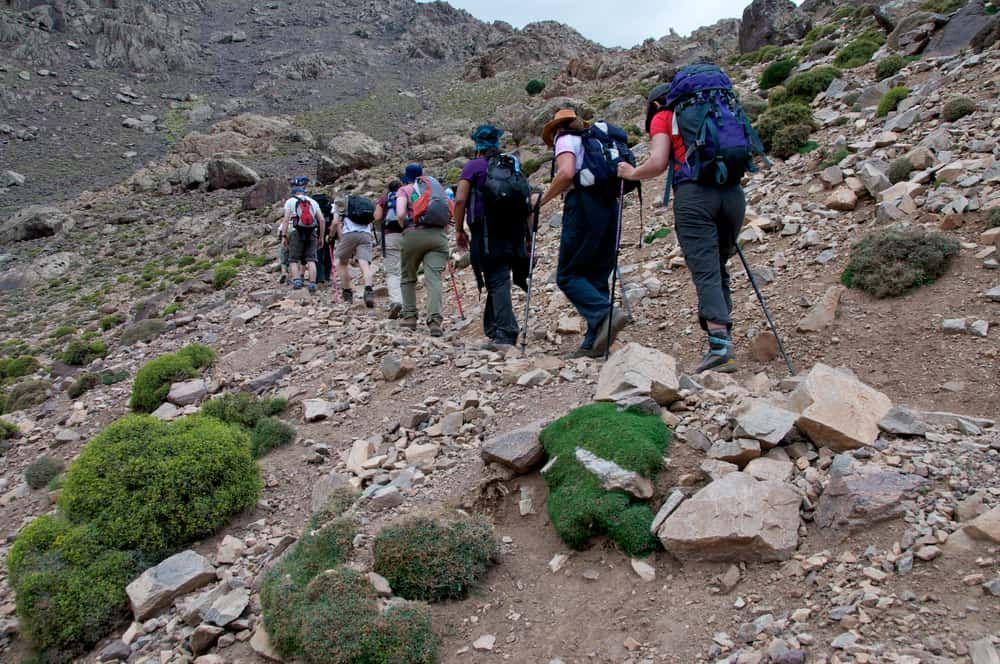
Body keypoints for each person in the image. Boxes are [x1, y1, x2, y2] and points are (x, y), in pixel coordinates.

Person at [618, 76, 749, 373]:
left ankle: (720, 346)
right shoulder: (715, 108)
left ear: (654, 103)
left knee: (705, 269)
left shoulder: (664, 116)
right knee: (718, 266)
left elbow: (658, 162)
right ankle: (723, 338)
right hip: (732, 193)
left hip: (695, 196)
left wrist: (630, 172)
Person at [536, 109, 626, 358]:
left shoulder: (565, 138)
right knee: (596, 274)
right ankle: (594, 342)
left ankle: (605, 314)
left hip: (584, 206)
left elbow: (566, 173)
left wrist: (542, 201)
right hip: (609, 204)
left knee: (567, 275)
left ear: (556, 129)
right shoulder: (596, 139)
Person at [454, 124, 530, 349]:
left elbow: (459, 200)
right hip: (515, 230)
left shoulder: (473, 167)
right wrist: (527, 234)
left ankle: (506, 334)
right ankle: (493, 328)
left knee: (497, 280)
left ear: (477, 146)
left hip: (487, 233)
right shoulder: (511, 164)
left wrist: (459, 230)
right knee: (498, 280)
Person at [395, 163, 449, 337]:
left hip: (413, 234)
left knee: (408, 276)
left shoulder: (405, 190)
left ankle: (409, 317)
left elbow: (400, 214)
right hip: (438, 236)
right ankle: (435, 321)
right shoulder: (432, 188)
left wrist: (405, 227)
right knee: (434, 279)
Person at [278, 186, 326, 293]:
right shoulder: (313, 201)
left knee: (293, 259)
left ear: (294, 194)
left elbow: (286, 220)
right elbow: (322, 220)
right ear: (304, 193)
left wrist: (284, 235)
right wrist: (321, 237)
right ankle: (312, 283)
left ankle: (297, 281)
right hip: (312, 231)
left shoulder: (290, 201)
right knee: (311, 259)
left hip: (296, 232)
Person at [331, 195, 376, 307]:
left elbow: (335, 222)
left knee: (341, 263)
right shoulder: (365, 205)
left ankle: (347, 293)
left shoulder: (340, 203)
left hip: (349, 235)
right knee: (364, 264)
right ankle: (368, 291)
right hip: (366, 235)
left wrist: (331, 236)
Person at [374, 179, 404, 319]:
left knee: (393, 272)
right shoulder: (407, 194)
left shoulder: (384, 198)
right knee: (406, 271)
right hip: (408, 235)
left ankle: (397, 301)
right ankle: (408, 305)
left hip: (390, 237)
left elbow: (377, 217)